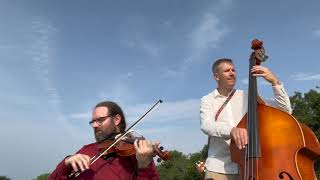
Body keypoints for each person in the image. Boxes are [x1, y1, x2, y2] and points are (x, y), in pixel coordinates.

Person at [199, 58, 292, 180]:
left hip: (253, 166)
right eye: (227, 70)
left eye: (233, 70)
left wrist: (275, 82)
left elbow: (285, 111)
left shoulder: (248, 96)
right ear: (217, 77)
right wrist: (231, 130)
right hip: (219, 168)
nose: (232, 73)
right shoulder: (207, 100)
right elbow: (206, 125)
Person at [49, 101, 159, 180]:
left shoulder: (137, 154)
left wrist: (144, 166)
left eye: (100, 120)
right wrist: (66, 163)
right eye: (93, 122)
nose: (95, 125)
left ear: (116, 120)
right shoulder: (87, 150)